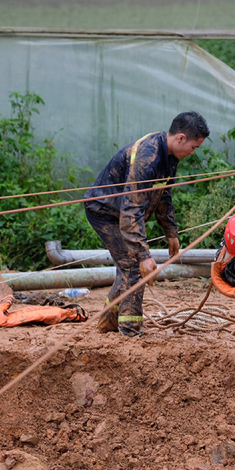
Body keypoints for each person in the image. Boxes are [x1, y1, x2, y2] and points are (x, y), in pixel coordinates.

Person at [85, 111, 210, 336]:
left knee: (128, 268)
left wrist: (171, 232)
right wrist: (144, 255)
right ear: (181, 138)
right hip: (105, 212)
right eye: (193, 147)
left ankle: (108, 322)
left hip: (123, 214)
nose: (192, 153)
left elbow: (163, 195)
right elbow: (130, 209)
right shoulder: (147, 156)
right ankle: (130, 331)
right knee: (133, 266)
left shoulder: (170, 157)